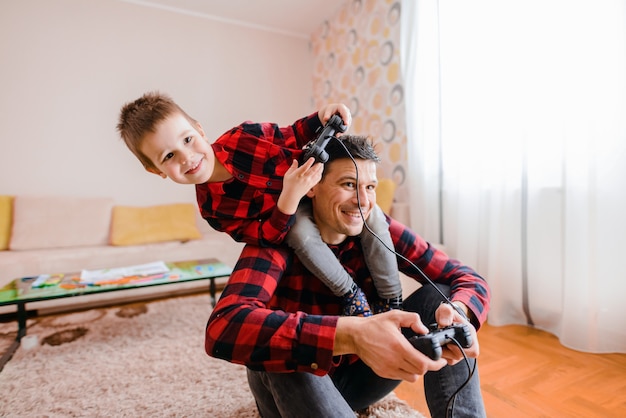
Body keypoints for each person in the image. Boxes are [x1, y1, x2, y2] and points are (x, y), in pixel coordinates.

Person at [205, 134, 491, 418]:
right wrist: (351, 334)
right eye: (348, 185)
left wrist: (459, 311)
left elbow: (466, 277)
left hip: (361, 378)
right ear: (313, 186)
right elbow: (222, 328)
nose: (362, 200)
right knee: (287, 352)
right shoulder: (275, 239)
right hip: (295, 382)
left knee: (439, 296)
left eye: (369, 187)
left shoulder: (380, 229)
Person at [116, 92, 403, 316]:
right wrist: (289, 199)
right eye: (168, 157)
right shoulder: (212, 210)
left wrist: (320, 117)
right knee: (300, 234)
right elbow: (267, 236)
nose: (187, 158)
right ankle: (350, 294)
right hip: (291, 216)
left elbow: (292, 134)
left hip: (320, 192)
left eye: (188, 140)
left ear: (200, 130)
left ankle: (392, 299)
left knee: (375, 216)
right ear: (157, 171)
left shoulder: (245, 136)